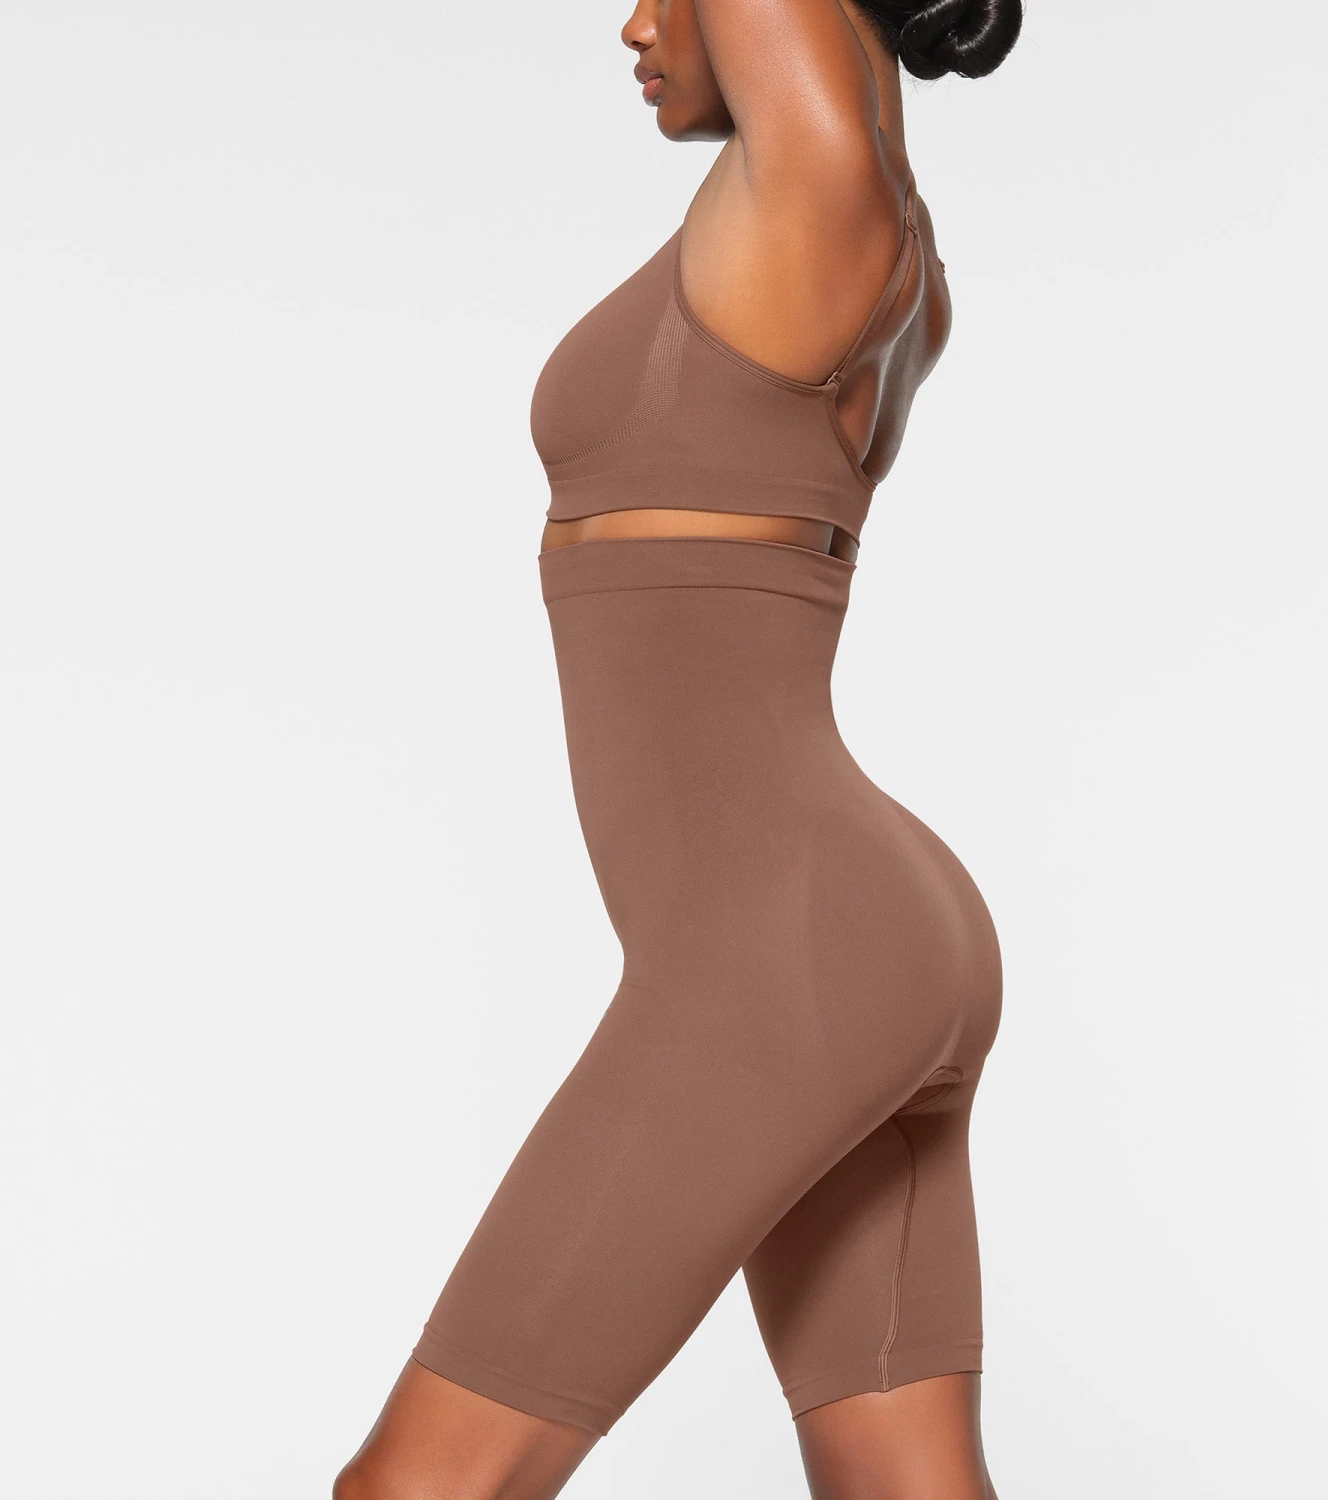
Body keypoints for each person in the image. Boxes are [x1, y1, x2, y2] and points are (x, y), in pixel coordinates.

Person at [335, 2, 1022, 1496]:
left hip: (780, 955)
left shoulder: (824, 194)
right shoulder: (852, 228)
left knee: (418, 1485)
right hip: (854, 931)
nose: (636, 24)